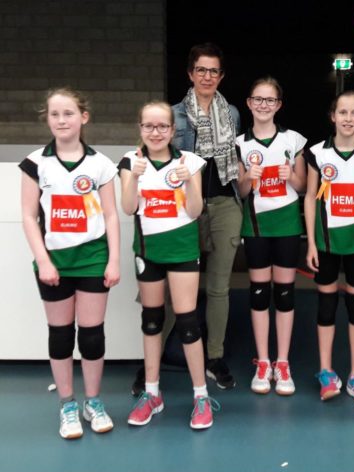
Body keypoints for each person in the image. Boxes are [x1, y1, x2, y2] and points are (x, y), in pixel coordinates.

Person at [19, 87, 119, 439]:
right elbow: (28, 217)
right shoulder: (35, 163)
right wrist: (43, 261)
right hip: (54, 264)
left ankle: (93, 401)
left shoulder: (100, 164)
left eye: (69, 113)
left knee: (91, 336)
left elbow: (111, 215)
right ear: (47, 119)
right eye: (55, 114)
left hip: (93, 259)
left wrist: (114, 260)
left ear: (83, 117)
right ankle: (67, 404)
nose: (62, 120)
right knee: (61, 336)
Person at [119, 100, 219, 430]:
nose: (156, 132)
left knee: (188, 323)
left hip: (182, 252)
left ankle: (201, 396)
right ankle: (152, 394)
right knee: (152, 321)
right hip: (148, 252)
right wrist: (133, 178)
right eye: (149, 126)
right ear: (140, 128)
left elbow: (195, 211)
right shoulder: (130, 161)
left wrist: (189, 181)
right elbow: (128, 207)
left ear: (173, 130)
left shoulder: (190, 161)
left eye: (162, 126)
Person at [304, 90, 354, 409]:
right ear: (332, 116)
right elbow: (309, 197)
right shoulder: (317, 153)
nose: (348, 118)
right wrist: (311, 242)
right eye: (343, 112)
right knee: (326, 304)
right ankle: (326, 372)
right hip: (326, 242)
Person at [172, 43, 242, 389]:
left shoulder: (232, 113)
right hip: (185, 208)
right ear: (190, 74)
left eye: (214, 71)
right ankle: (159, 357)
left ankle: (214, 355)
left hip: (225, 203)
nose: (207, 76)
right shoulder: (174, 115)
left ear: (221, 76)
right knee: (175, 285)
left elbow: (234, 159)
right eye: (201, 69)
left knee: (218, 288)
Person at [236, 77, 306, 395]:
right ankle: (263, 361)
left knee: (285, 294)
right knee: (259, 293)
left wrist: (291, 176)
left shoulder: (294, 140)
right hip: (256, 228)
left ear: (278, 105)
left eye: (270, 100)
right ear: (249, 103)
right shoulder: (240, 144)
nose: (263, 105)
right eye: (258, 99)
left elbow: (303, 186)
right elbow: (240, 191)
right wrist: (247, 179)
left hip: (287, 226)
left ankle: (283, 362)